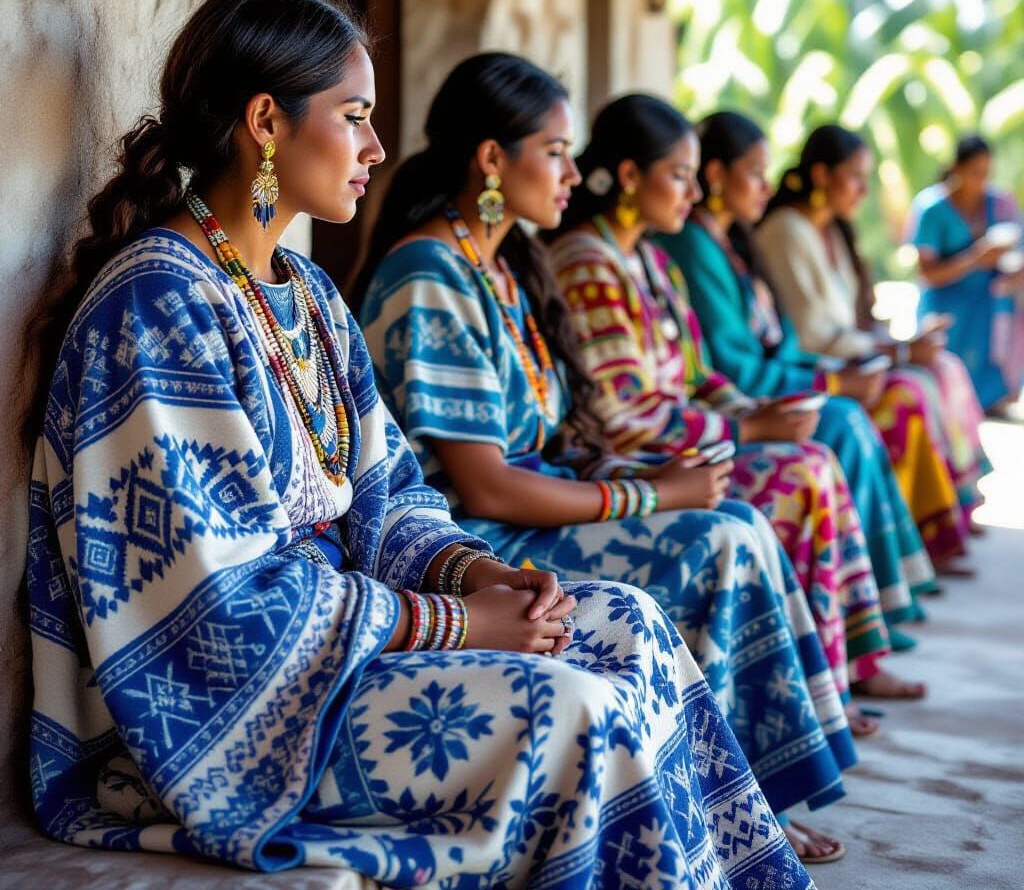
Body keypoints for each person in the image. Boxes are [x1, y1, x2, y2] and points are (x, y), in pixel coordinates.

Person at [23, 0, 813, 888]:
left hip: (345, 639)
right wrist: (456, 620)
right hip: (234, 716)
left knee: (629, 622)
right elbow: (213, 612)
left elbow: (391, 493)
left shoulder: (307, 296)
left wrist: (482, 574)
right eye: (354, 117)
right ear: (267, 123)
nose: (376, 147)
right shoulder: (158, 304)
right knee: (568, 709)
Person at [360, 52, 856, 863]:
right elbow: (483, 484)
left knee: (729, 516)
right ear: (493, 159)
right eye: (555, 152)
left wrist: (647, 479)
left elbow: (552, 441)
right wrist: (650, 496)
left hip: (527, 501)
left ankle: (742, 795)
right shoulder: (430, 272)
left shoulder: (501, 262)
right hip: (467, 546)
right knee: (715, 539)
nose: (573, 171)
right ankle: (724, 808)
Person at [548, 94, 895, 720]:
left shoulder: (649, 258)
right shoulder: (586, 261)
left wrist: (760, 412)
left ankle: (828, 686)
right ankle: (790, 706)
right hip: (628, 457)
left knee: (808, 451)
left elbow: (700, 374)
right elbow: (619, 414)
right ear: (630, 177)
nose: (691, 192)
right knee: (798, 475)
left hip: (677, 440)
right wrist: (747, 427)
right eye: (679, 176)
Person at [661, 111, 937, 659]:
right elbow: (730, 362)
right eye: (755, 172)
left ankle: (869, 615)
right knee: (839, 421)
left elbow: (779, 341)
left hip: (750, 390)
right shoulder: (691, 245)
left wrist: (829, 375)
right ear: (717, 175)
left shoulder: (732, 240)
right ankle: (854, 633)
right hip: (736, 398)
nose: (768, 184)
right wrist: (822, 383)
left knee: (853, 409)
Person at [753, 125, 986, 571]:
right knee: (905, 393)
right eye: (855, 177)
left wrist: (897, 346)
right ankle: (905, 550)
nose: (863, 189)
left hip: (843, 359)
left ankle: (940, 522)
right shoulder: (786, 231)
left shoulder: (830, 231)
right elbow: (813, 334)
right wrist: (897, 353)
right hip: (812, 366)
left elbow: (844, 324)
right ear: (822, 175)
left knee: (943, 368)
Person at [910, 134, 1024, 416]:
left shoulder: (1000, 203)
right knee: (946, 385)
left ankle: (992, 402)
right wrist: (976, 257)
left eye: (986, 173)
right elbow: (927, 273)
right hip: (946, 308)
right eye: (975, 172)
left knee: (989, 378)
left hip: (988, 308)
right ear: (956, 168)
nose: (981, 180)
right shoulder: (932, 208)